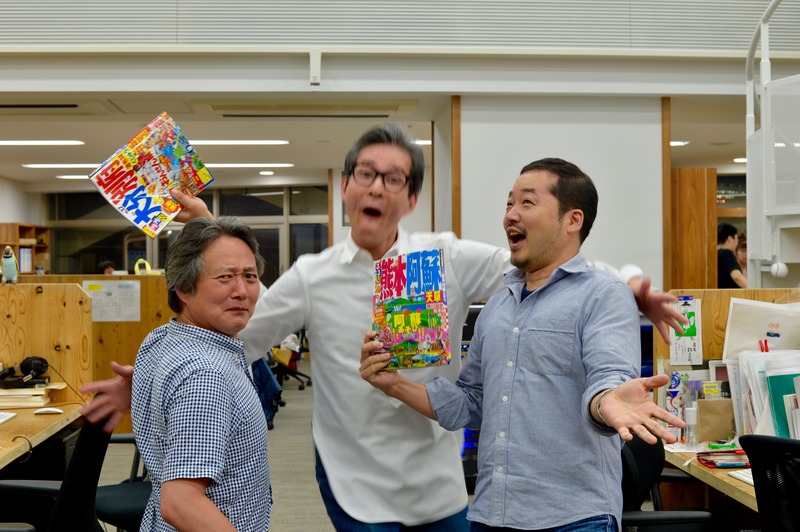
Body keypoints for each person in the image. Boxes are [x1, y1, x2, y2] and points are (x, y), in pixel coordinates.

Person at [81, 124, 687, 530]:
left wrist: (633, 287)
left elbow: (562, 274)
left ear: (410, 198)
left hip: (444, 484)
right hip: (357, 482)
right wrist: (152, 378)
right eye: (364, 175)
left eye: (393, 179)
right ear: (344, 189)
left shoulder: (447, 258)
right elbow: (235, 320)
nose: (376, 186)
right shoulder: (313, 275)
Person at [360, 157, 685, 531]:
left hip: (574, 519)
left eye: (527, 202)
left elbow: (607, 376)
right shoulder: (497, 306)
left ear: (572, 220)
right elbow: (471, 402)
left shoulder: (603, 295)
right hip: (491, 514)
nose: (510, 215)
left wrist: (606, 400)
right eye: (509, 203)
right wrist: (394, 384)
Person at [132, 217, 271, 531]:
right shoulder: (206, 374)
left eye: (250, 276)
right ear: (183, 287)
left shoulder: (161, 338)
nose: (242, 291)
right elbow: (181, 502)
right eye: (225, 277)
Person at [717, 223, 746, 288]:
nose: (737, 242)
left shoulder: (715, 254)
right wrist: (755, 290)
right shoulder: (726, 253)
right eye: (736, 239)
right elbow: (737, 277)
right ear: (729, 238)